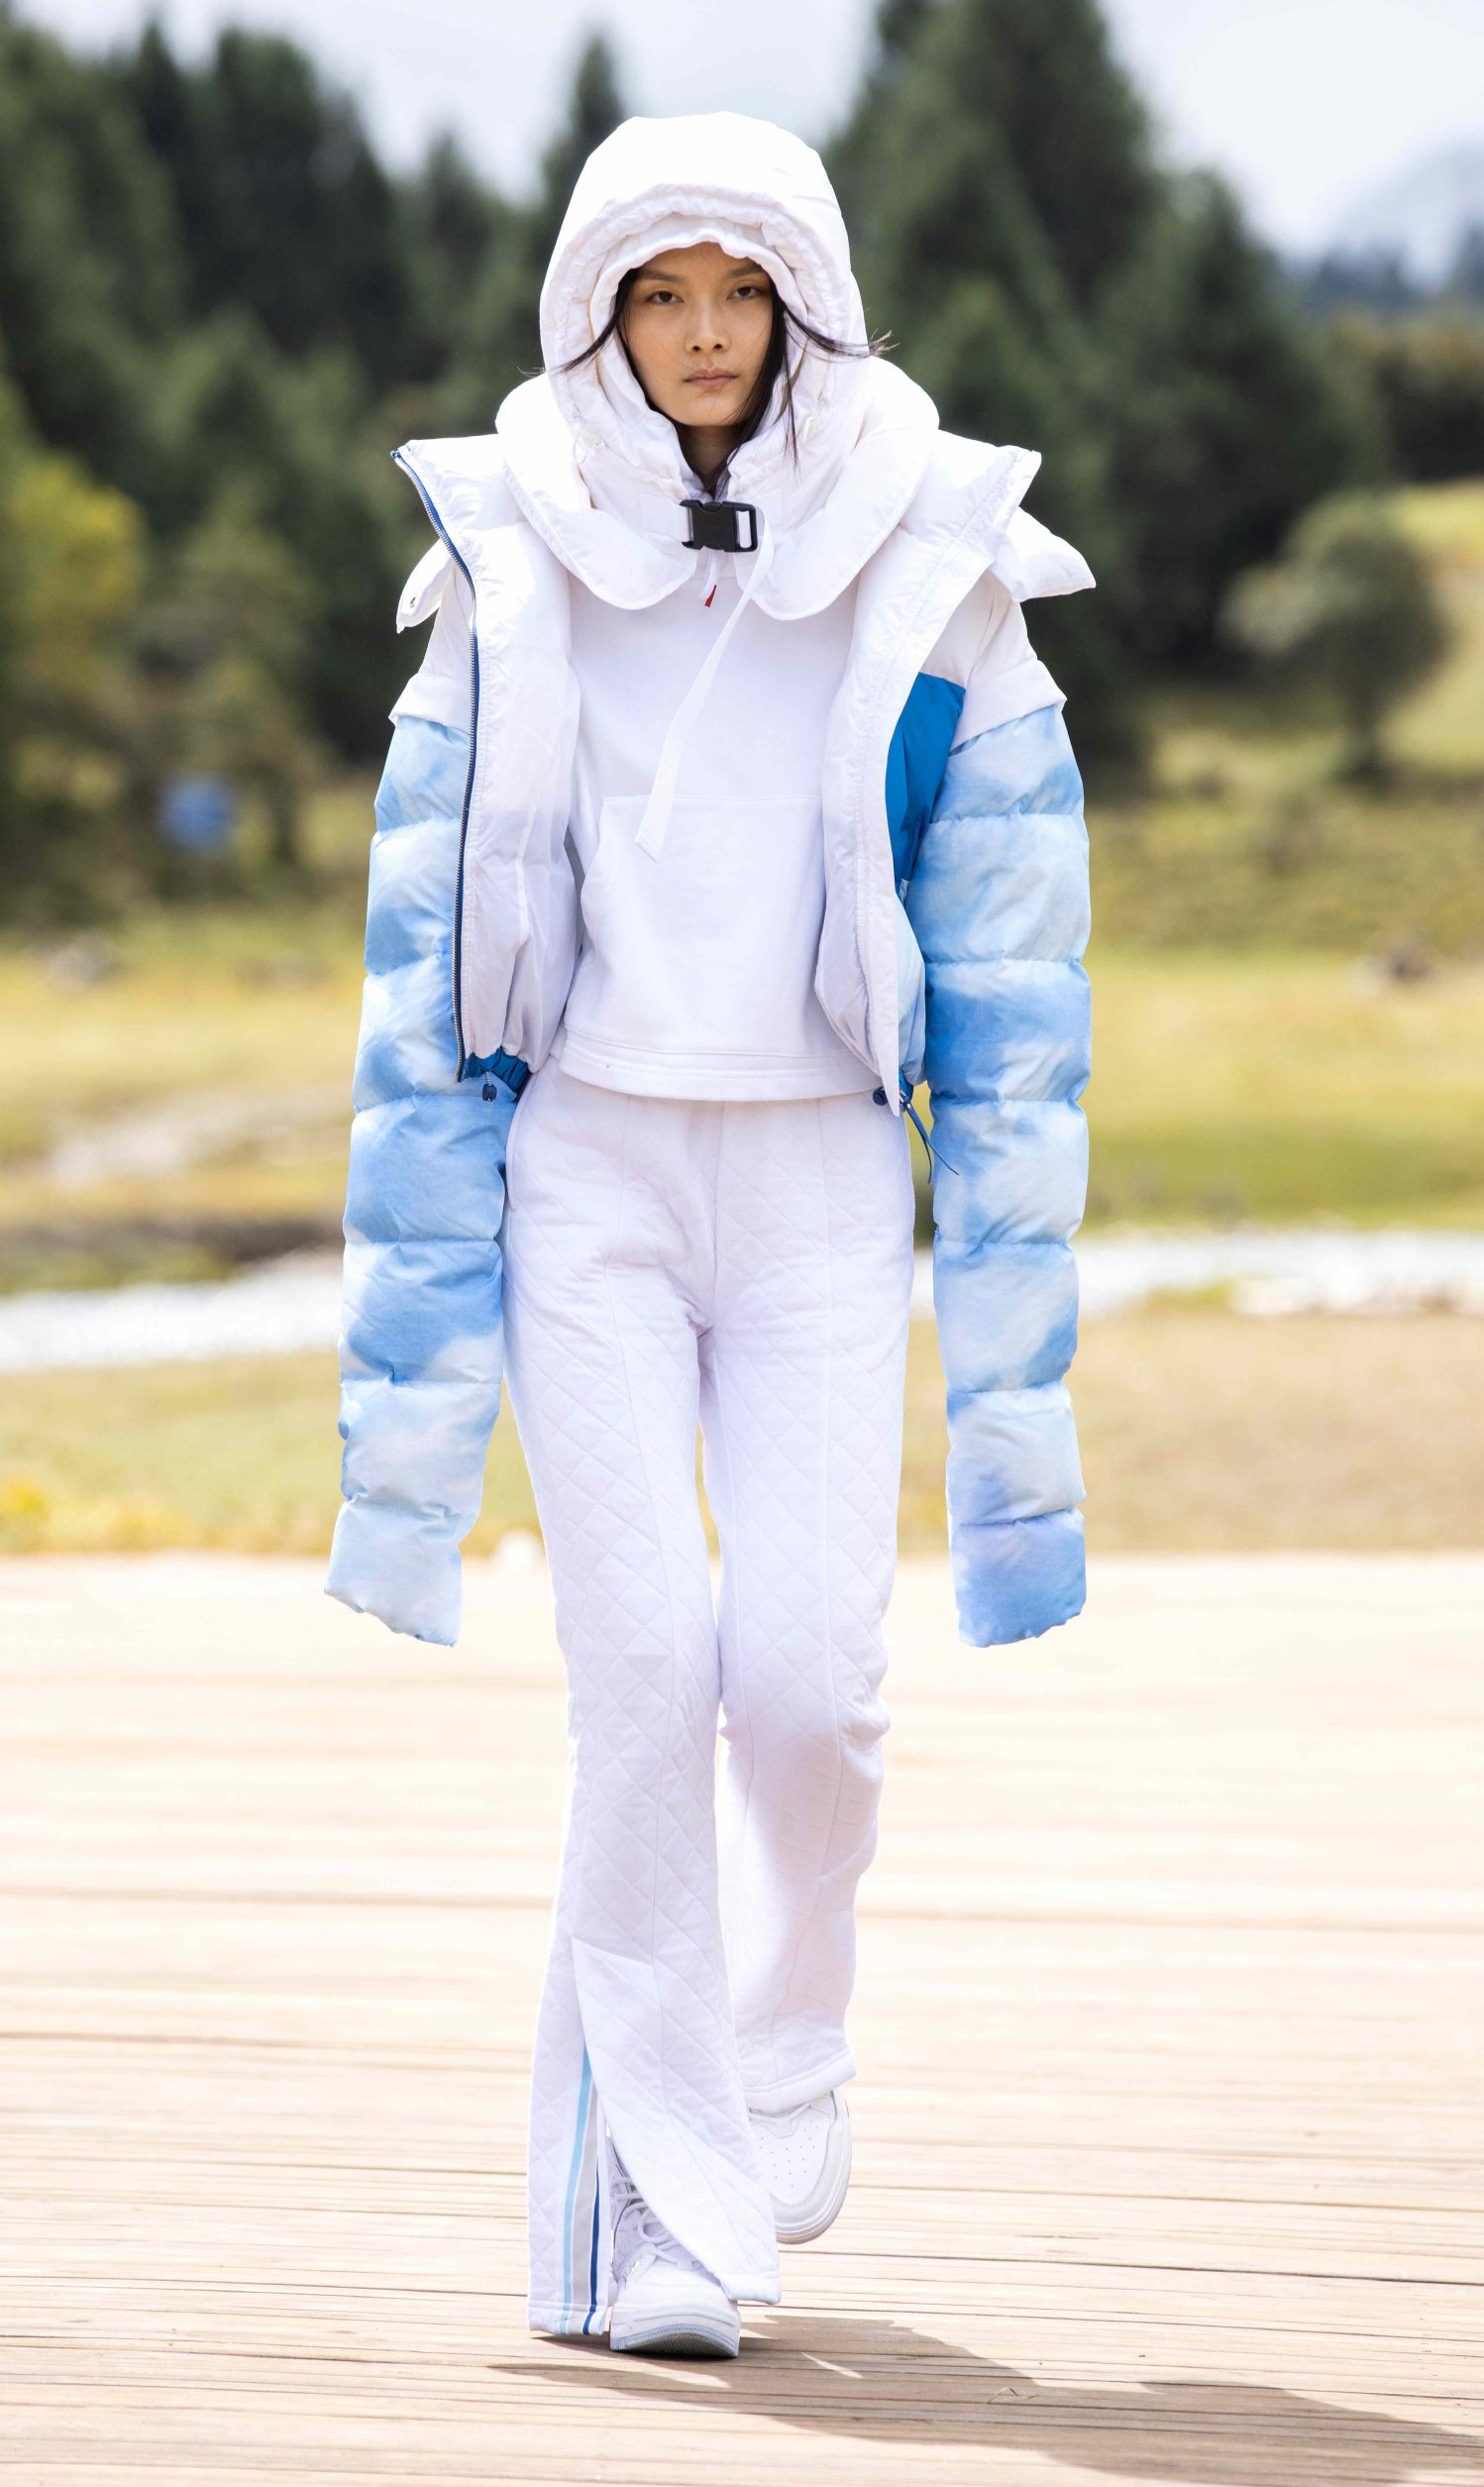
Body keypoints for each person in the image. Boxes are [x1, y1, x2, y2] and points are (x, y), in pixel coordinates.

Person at [326, 113, 1094, 2360]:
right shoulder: (502, 549)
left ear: (804, 309)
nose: (697, 335)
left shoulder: (939, 553)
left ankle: (784, 2046)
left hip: (823, 1173)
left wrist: (1018, 1304)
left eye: (736, 294)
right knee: (647, 1674)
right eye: (656, 296)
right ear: (596, 313)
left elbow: (1019, 948)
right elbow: (417, 946)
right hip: (589, 1172)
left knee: (812, 1690)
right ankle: (662, 2213)